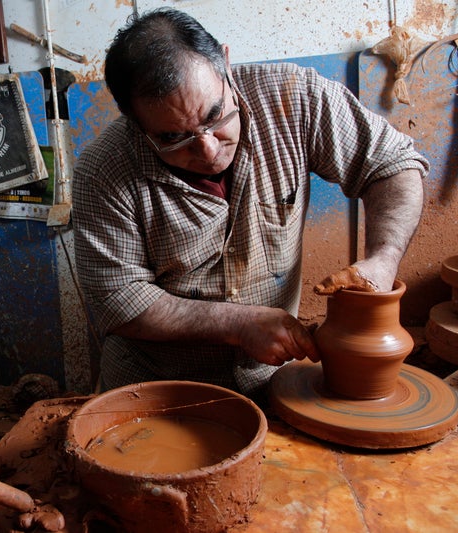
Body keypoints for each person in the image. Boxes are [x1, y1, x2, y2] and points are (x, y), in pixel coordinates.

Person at [71, 8, 428, 400]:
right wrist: (237, 325)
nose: (208, 150)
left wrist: (384, 260)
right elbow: (118, 298)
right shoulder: (102, 170)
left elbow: (392, 165)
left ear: (225, 62)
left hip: (273, 380)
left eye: (215, 115)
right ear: (135, 123)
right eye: (174, 137)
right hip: (157, 387)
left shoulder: (294, 98)